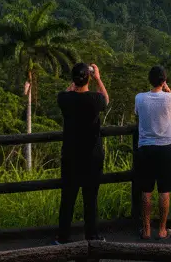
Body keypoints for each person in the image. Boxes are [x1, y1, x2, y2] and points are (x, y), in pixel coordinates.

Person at [56, 62, 109, 244]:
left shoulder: (65, 99)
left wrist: (74, 84)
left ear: (73, 79)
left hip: (70, 156)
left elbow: (67, 92)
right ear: (88, 77)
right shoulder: (95, 99)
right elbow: (106, 99)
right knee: (90, 198)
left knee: (68, 198)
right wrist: (98, 78)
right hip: (92, 157)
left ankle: (63, 237)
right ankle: (92, 236)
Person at [135, 65, 171, 240]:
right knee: (164, 191)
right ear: (164, 81)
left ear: (149, 80)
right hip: (166, 148)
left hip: (145, 148)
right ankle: (162, 230)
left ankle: (146, 230)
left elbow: (139, 117)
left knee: (146, 190)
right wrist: (168, 92)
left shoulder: (139, 98)